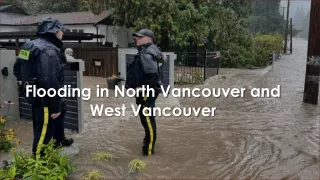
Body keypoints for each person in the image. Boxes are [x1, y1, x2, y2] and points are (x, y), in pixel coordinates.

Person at [13, 17, 74, 157]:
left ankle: (59, 140)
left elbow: (17, 67)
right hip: (45, 96)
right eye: (60, 30)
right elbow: (49, 79)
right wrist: (55, 105)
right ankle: (39, 159)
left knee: (61, 110)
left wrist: (25, 84)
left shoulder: (28, 46)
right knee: (44, 126)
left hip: (33, 92)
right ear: (52, 31)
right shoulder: (49, 50)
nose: (62, 32)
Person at [126, 29, 163, 156]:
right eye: (136, 37)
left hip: (147, 91)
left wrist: (143, 90)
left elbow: (152, 74)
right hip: (148, 91)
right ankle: (148, 139)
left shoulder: (147, 53)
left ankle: (148, 150)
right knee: (146, 118)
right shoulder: (150, 50)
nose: (137, 38)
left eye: (140, 37)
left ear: (149, 39)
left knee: (147, 119)